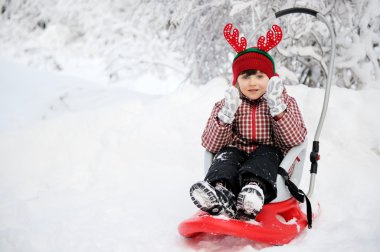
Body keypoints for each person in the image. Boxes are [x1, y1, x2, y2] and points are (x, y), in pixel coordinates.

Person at [189, 23, 307, 220]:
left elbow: (296, 139)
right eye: (246, 77)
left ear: (271, 79)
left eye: (260, 76)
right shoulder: (226, 104)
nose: (253, 83)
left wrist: (278, 110)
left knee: (266, 153)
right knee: (226, 155)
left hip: (270, 162)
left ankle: (253, 192)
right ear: (236, 81)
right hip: (237, 158)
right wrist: (226, 116)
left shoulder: (284, 102)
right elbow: (210, 144)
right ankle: (219, 191)